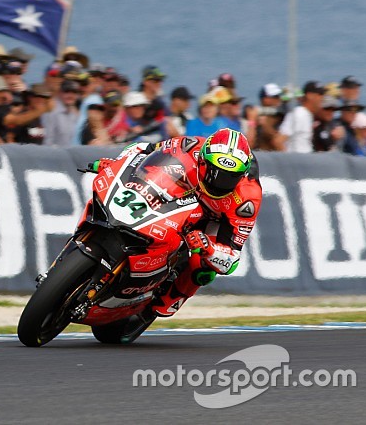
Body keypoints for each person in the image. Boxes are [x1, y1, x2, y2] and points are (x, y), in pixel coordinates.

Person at [88, 128, 262, 323]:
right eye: (214, 171)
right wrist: (117, 164)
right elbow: (142, 150)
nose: (218, 181)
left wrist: (208, 247)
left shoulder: (247, 199)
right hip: (182, 193)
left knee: (203, 267)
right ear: (203, 159)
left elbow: (231, 259)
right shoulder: (188, 146)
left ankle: (164, 303)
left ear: (241, 175)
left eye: (229, 177)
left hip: (213, 219)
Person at [277, 81, 325, 153]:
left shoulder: (308, 115)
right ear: (309, 95)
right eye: (320, 94)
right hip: (297, 161)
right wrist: (290, 161)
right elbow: (278, 141)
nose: (322, 98)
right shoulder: (298, 114)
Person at [42, 79, 81, 146]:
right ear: (59, 93)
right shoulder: (51, 112)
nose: (70, 95)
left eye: (74, 92)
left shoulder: (74, 114)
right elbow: (46, 141)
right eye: (66, 91)